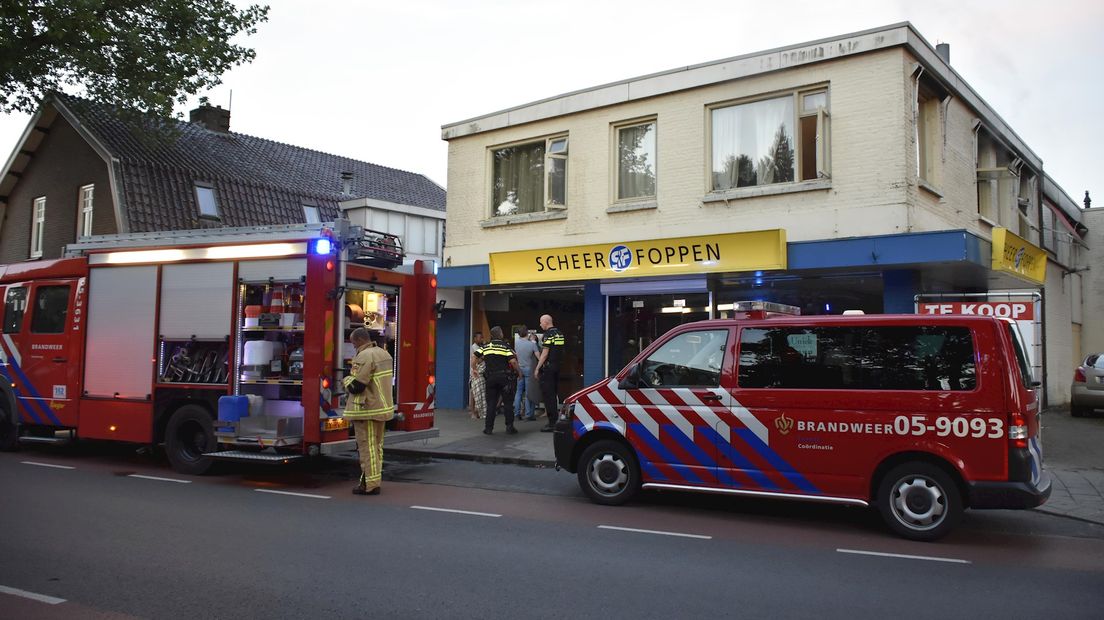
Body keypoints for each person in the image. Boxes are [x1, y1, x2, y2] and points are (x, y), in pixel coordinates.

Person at [343, 328, 394, 496]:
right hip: (381, 407)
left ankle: (370, 485)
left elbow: (356, 386)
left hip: (367, 409)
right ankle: (372, 481)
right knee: (377, 447)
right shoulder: (384, 354)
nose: (353, 347)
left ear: (358, 341)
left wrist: (346, 378)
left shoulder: (364, 356)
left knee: (367, 447)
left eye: (352, 343)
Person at [476, 326, 520, 435]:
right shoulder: (505, 347)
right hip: (504, 378)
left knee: (491, 404)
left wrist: (473, 369)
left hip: (490, 378)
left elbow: (474, 356)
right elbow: (513, 362)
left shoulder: (486, 347)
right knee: (508, 403)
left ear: (491, 335)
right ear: (500, 334)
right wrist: (519, 372)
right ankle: (509, 427)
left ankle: (488, 428)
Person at [534, 314, 565, 432]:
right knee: (554, 394)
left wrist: (537, 368)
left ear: (546, 322)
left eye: (541, 322)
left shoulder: (548, 335)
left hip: (549, 368)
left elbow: (545, 353)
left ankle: (552, 423)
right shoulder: (560, 333)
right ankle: (555, 420)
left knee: (548, 395)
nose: (540, 324)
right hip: (557, 367)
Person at [513, 325, 540, 421]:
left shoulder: (516, 343)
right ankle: (528, 414)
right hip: (529, 368)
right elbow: (538, 356)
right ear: (527, 333)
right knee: (529, 392)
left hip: (519, 368)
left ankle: (516, 413)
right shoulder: (532, 344)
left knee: (518, 392)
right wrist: (533, 341)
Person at [469, 331, 486, 419]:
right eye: (480, 338)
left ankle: (478, 411)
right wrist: (483, 357)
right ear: (475, 338)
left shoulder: (481, 347)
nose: (482, 339)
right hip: (475, 373)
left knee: (480, 393)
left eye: (482, 337)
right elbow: (476, 360)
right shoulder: (474, 347)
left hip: (481, 372)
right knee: (473, 393)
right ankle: (472, 412)